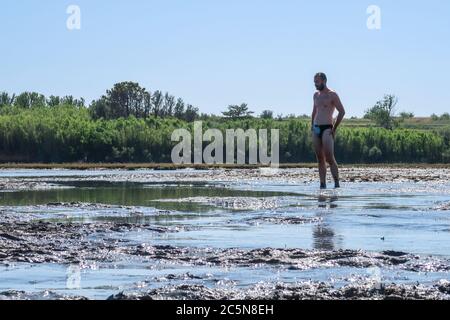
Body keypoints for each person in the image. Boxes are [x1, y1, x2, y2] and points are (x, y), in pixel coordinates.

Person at [311, 72, 346, 189]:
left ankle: (336, 183)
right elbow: (314, 112)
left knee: (329, 157)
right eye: (314, 81)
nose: (315, 84)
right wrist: (312, 125)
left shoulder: (332, 95)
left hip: (327, 128)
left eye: (317, 81)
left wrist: (334, 128)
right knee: (320, 158)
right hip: (316, 128)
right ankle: (322, 184)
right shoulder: (315, 95)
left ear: (324, 81)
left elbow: (342, 111)